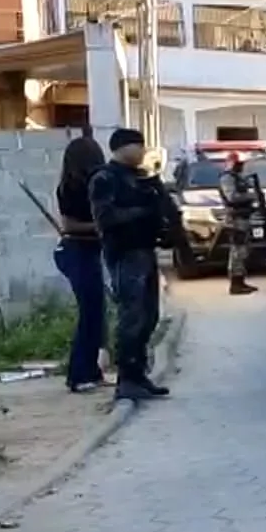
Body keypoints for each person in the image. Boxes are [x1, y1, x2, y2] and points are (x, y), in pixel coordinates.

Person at [89, 128, 171, 402]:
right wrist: (144, 211)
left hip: (145, 251)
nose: (142, 151)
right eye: (138, 146)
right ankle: (127, 379)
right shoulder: (105, 179)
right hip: (124, 254)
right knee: (132, 316)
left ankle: (138, 374)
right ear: (121, 148)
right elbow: (106, 217)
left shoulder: (140, 178)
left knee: (149, 315)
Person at [53, 135, 107, 393]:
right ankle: (78, 375)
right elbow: (69, 225)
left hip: (87, 252)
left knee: (96, 313)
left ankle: (92, 371)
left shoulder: (96, 185)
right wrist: (101, 227)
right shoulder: (70, 188)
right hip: (75, 250)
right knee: (89, 314)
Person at [217, 153, 260, 296]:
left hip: (242, 218)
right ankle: (236, 284)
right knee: (238, 251)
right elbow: (232, 197)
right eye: (239, 164)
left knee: (243, 251)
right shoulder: (227, 178)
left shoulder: (236, 178)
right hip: (235, 220)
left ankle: (240, 282)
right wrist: (252, 196)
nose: (241, 166)